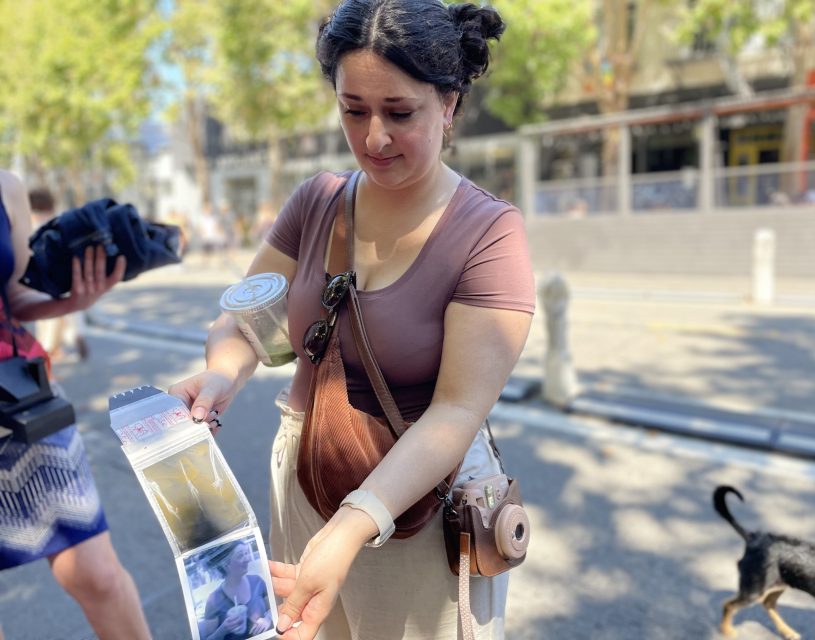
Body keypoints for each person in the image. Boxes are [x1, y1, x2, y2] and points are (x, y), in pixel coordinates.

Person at [168, 1, 534, 638]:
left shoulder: (489, 234)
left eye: (399, 113)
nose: (374, 139)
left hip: (420, 503)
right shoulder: (317, 201)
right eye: (353, 110)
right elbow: (245, 317)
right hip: (307, 479)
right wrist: (223, 373)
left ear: (449, 104)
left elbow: (455, 412)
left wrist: (352, 524)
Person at [0, 169, 152, 640]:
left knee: (97, 575)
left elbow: (15, 295)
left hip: (21, 396)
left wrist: (73, 300)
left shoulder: (7, 186)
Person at [28, 187, 90, 362]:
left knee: (48, 318)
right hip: (69, 273)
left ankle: (48, 350)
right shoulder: (59, 220)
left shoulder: (32, 223)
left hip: (44, 278)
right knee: (72, 311)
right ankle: (77, 335)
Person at [199, 541, 273, 640]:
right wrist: (222, 630)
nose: (248, 559)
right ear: (225, 564)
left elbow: (274, 607)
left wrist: (268, 619)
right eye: (240, 555)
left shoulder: (257, 581)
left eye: (246, 553)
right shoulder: (214, 600)